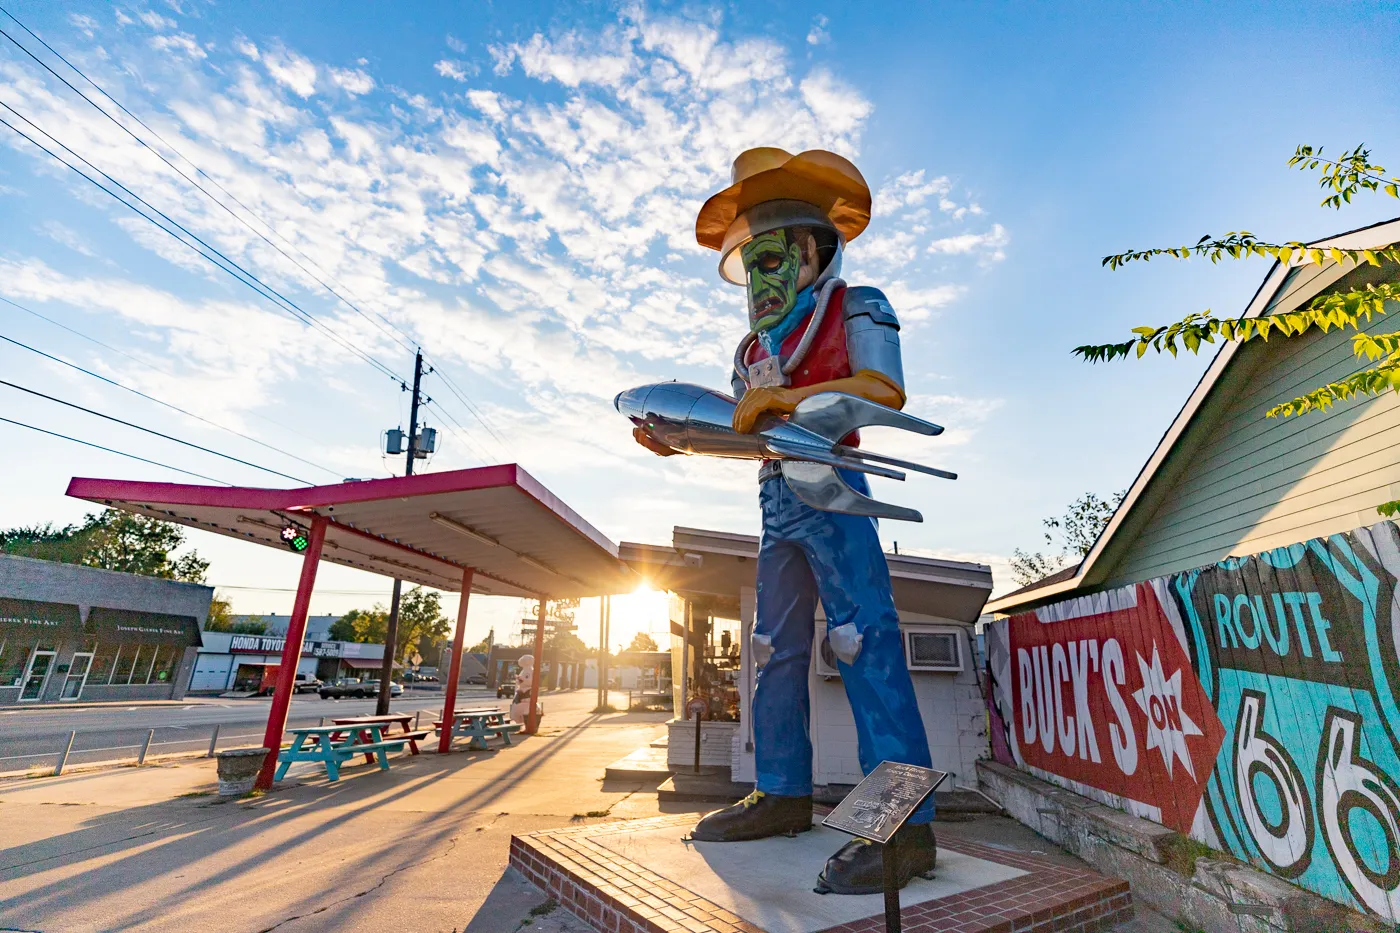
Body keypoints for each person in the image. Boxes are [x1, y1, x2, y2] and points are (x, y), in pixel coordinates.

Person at [632, 147, 938, 894]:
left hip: (836, 489)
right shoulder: (751, 351)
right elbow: (751, 435)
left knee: (862, 639)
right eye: (747, 265)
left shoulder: (856, 305)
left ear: (811, 252)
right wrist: (684, 438)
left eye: (770, 260)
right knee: (770, 648)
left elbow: (882, 391)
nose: (758, 283)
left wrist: (791, 403)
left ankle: (907, 825)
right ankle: (781, 790)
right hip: (776, 501)